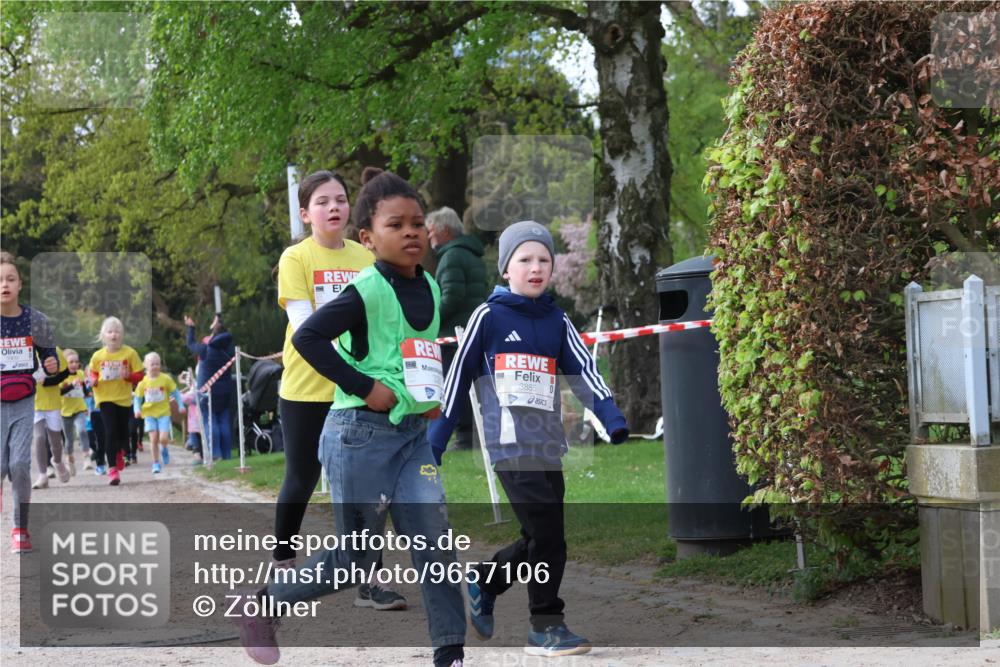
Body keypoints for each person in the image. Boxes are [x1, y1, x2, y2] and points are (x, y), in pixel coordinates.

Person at [230, 168, 466, 667]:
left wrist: (429, 392)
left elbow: (416, 349)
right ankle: (266, 604)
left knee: (436, 546)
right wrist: (365, 386)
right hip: (358, 434)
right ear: (368, 238)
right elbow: (308, 336)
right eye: (396, 224)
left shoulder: (430, 284)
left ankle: (451, 654)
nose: (411, 233)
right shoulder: (365, 287)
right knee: (355, 561)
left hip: (413, 437)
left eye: (418, 223)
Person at [428, 220, 630, 658]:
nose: (535, 268)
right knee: (549, 536)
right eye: (525, 260)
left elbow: (585, 373)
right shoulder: (488, 316)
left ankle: (486, 581)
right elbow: (458, 375)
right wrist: (438, 435)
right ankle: (545, 624)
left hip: (547, 446)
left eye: (543, 260)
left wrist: (610, 416)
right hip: (509, 448)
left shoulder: (557, 320)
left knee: (542, 536)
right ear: (506, 269)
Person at [272, 170, 377, 578]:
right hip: (306, 387)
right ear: (305, 214)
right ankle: (283, 559)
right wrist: (347, 366)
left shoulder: (366, 259)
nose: (333, 206)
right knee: (301, 478)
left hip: (356, 389)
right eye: (322, 201)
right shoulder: (295, 258)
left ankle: (368, 575)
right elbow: (304, 327)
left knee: (361, 482)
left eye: (340, 199)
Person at [1, 251, 61, 553]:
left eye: (10, 278)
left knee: (19, 465)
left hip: (24, 400)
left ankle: (20, 529)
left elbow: (51, 357)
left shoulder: (35, 320)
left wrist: (51, 364)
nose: (4, 285)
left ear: (20, 284)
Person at [426, 206, 487, 451]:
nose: (429, 238)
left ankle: (464, 438)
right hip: (471, 329)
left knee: (455, 386)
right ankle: (471, 434)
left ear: (445, 231)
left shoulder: (451, 257)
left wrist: (430, 323)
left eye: (431, 232)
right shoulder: (471, 254)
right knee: (472, 386)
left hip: (453, 334)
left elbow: (451, 296)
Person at [87, 316, 144, 486]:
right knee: (110, 431)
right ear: (103, 335)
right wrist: (93, 380)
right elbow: (92, 373)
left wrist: (129, 377)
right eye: (110, 332)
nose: (114, 335)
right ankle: (112, 469)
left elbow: (140, 375)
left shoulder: (130, 353)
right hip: (104, 398)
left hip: (124, 398)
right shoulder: (98, 355)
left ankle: (120, 451)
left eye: (117, 331)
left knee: (122, 432)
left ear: (122, 334)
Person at [184, 314, 235, 460]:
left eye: (214, 321)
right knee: (224, 421)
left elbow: (190, 343)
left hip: (207, 393)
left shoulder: (206, 349)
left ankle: (215, 454)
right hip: (225, 392)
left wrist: (191, 328)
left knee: (209, 421)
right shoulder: (230, 351)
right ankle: (227, 455)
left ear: (215, 331)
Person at [134, 352, 185, 474]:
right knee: (153, 439)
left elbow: (176, 392)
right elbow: (137, 398)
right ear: (145, 365)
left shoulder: (165, 379)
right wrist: (137, 410)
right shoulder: (143, 382)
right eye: (152, 364)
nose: (155, 366)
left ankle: (164, 448)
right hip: (149, 414)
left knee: (163, 438)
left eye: (157, 364)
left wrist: (181, 405)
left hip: (163, 413)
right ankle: (156, 463)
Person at [31, 346, 70, 489]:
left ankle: (58, 461)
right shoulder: (24, 349)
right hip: (33, 402)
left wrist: (48, 382)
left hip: (52, 402)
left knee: (55, 441)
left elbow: (65, 373)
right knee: (39, 437)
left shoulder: (55, 351)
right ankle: (42, 475)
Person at [60, 349, 92, 475]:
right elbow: (60, 392)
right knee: (69, 439)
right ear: (65, 363)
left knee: (82, 431)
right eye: (71, 362)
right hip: (65, 411)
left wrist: (88, 393)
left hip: (79, 408)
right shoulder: (61, 376)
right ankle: (70, 461)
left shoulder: (80, 373)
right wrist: (71, 385)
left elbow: (83, 389)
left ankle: (87, 458)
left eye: (76, 362)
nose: (74, 364)